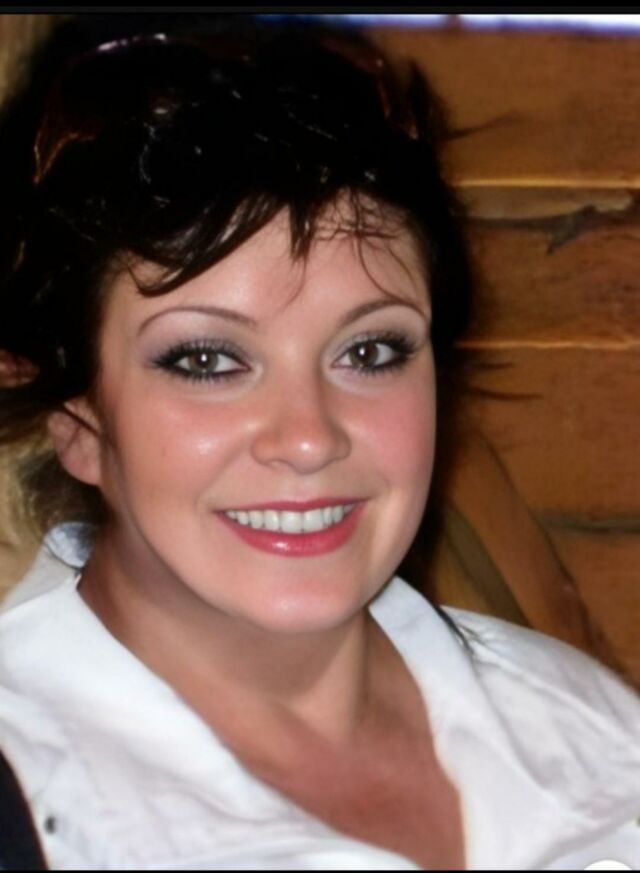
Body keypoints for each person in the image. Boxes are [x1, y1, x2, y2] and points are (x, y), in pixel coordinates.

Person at [0, 13, 637, 871]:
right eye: (208, 360)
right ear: (78, 421)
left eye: (369, 352)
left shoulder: (597, 734)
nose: (308, 439)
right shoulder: (31, 799)